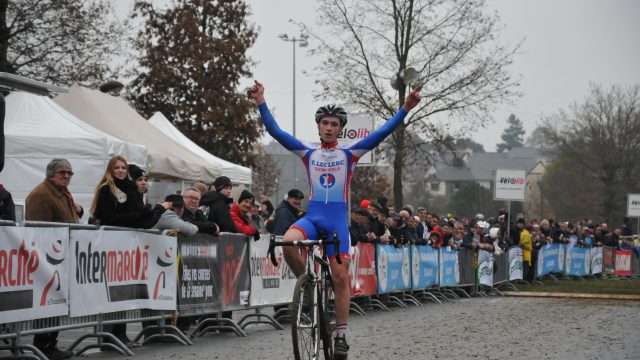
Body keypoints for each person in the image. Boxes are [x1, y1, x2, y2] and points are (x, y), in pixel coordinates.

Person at [250, 79, 422, 359]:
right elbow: (275, 131)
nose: (329, 128)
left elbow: (382, 133)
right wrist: (260, 101)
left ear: (340, 129)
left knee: (340, 276)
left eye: (334, 124)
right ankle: (305, 286)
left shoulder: (349, 154)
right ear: (318, 126)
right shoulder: (308, 152)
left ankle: (341, 334)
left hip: (337, 221)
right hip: (314, 216)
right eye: (324, 123)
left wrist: (404, 109)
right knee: (290, 242)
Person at [25, 159, 80, 360]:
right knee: (45, 303)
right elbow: (37, 230)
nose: (66, 176)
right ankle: (42, 345)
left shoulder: (62, 193)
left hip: (61, 259)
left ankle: (51, 344)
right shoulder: (41, 194)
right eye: (62, 172)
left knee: (56, 303)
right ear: (51, 174)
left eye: (69, 173)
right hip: (47, 260)